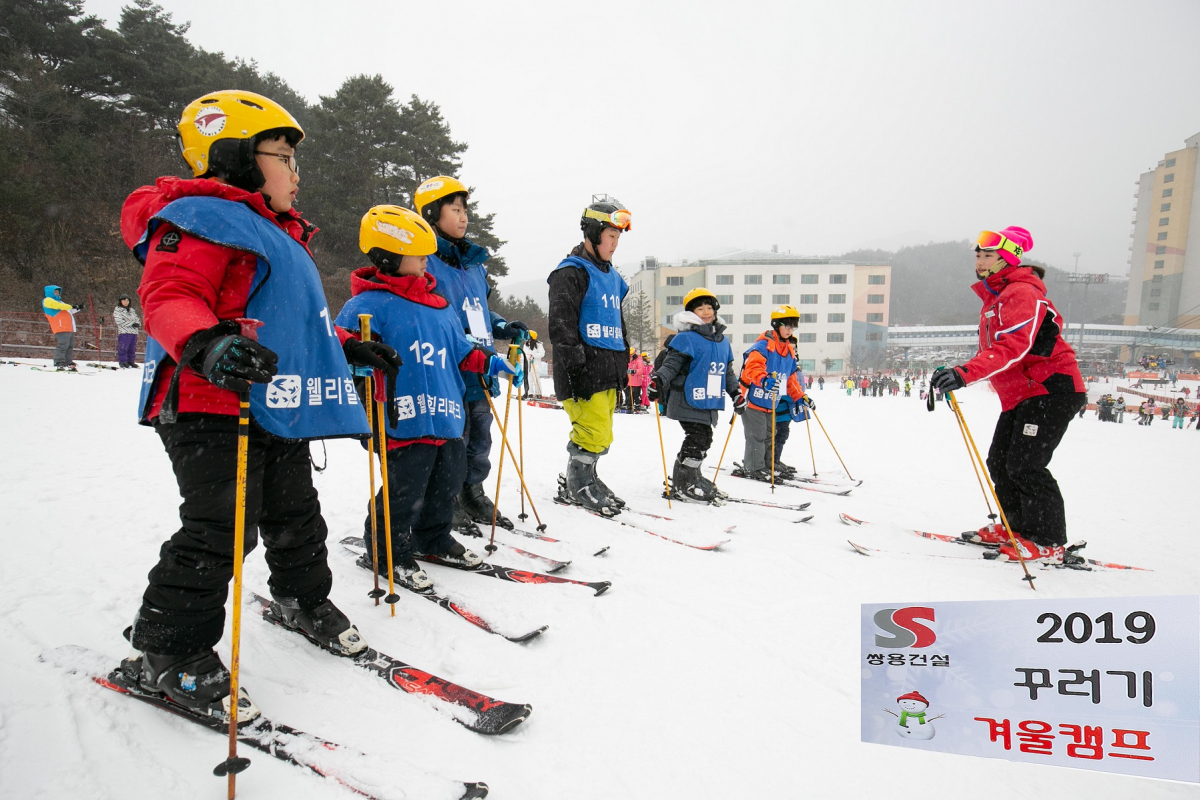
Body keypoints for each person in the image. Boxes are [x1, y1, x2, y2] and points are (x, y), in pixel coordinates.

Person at [119, 90, 395, 721]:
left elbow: (294, 321)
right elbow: (169, 294)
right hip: (210, 400)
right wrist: (208, 342)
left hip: (275, 400)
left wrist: (347, 347)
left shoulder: (279, 233)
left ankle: (303, 598)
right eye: (283, 158)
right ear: (237, 157)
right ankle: (169, 651)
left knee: (295, 511)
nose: (296, 174)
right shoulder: (200, 219)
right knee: (223, 525)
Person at [336, 205, 520, 590]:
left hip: (446, 413)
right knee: (405, 488)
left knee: (446, 482)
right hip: (400, 417)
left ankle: (432, 537)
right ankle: (385, 549)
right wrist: (355, 360)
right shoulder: (366, 305)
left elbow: (461, 350)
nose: (426, 260)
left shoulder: (439, 306)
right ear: (389, 255)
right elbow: (340, 346)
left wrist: (492, 362)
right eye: (418, 253)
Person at [931, 227, 1086, 564]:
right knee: (1000, 462)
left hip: (1050, 388)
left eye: (988, 255)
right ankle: (1016, 527)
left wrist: (964, 373)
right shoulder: (996, 297)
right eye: (978, 255)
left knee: (1026, 466)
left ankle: (1048, 540)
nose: (980, 261)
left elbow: (1015, 346)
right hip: (1022, 393)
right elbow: (996, 351)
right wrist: (961, 371)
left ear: (1007, 259)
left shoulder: (1021, 292)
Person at [414, 176, 528, 531]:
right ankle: (444, 499)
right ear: (432, 214)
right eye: (455, 210)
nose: (463, 217)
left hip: (481, 369)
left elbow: (477, 309)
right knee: (453, 439)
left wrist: (502, 326)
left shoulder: (474, 264)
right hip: (447, 368)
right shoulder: (423, 261)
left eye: (465, 210)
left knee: (480, 438)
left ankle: (472, 491)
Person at [549, 198, 632, 516]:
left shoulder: (612, 277)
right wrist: (576, 369)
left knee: (602, 431)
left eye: (618, 237)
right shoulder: (571, 273)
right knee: (591, 430)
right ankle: (578, 483)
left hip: (608, 369)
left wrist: (623, 366)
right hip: (583, 370)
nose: (615, 243)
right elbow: (561, 326)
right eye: (611, 235)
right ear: (594, 233)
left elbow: (618, 325)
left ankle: (587, 477)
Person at [647, 288, 740, 503]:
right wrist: (658, 380)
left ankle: (690, 476)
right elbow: (671, 365)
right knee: (698, 438)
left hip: (709, 399)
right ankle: (685, 482)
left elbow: (727, 372)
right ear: (691, 313)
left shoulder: (722, 341)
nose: (706, 312)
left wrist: (736, 393)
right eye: (700, 309)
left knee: (704, 438)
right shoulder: (686, 338)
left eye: (709, 308)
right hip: (687, 398)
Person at [734, 305, 814, 482]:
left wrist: (800, 396)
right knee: (757, 435)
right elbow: (752, 367)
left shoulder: (788, 350)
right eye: (787, 325)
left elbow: (790, 379)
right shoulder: (763, 345)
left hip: (771, 401)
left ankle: (768, 464)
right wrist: (764, 380)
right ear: (777, 324)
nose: (790, 330)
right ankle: (754, 467)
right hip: (753, 398)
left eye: (793, 327)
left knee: (770, 435)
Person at [41, 285, 80, 369]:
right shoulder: (47, 300)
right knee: (63, 345)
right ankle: (59, 361)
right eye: (55, 291)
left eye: (58, 292)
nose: (57, 293)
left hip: (69, 327)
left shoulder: (61, 302)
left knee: (70, 346)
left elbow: (68, 310)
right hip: (60, 326)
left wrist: (77, 308)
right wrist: (71, 306)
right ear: (50, 292)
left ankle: (68, 361)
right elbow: (58, 306)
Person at [113, 295, 141, 368]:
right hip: (124, 332)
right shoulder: (118, 310)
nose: (126, 302)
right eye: (124, 300)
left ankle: (130, 361)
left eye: (127, 300)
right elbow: (119, 321)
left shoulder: (132, 310)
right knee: (123, 347)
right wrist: (131, 324)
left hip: (133, 332)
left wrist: (138, 323)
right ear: (120, 301)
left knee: (132, 348)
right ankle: (122, 361)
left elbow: (137, 319)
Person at [625, 348, 645, 413]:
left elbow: (641, 370)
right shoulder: (628, 361)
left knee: (636, 395)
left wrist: (634, 371)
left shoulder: (639, 361)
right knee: (628, 396)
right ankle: (629, 406)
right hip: (629, 381)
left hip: (636, 382)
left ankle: (637, 407)